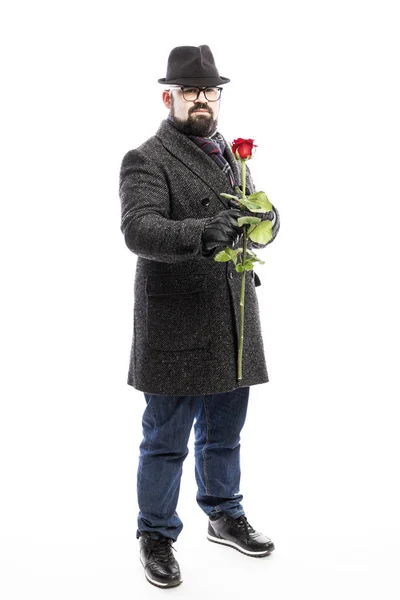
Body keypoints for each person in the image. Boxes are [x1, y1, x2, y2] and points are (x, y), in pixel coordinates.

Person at [119, 45, 280, 589]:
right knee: (166, 439)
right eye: (191, 92)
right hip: (177, 324)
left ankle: (223, 513)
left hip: (233, 319)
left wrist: (268, 219)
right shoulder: (146, 158)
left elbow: (252, 210)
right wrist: (196, 234)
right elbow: (138, 229)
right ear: (170, 97)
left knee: (225, 435)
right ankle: (157, 534)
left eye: (210, 91)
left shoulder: (230, 155)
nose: (203, 100)